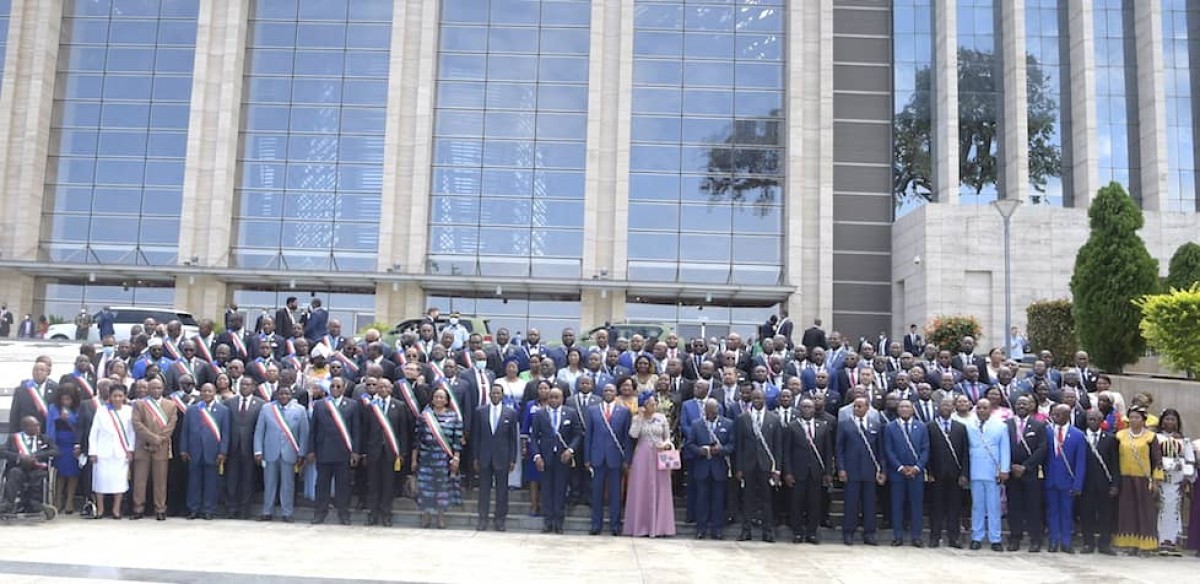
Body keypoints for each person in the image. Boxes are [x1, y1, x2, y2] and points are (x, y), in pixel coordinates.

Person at [307, 376, 360, 526]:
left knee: (343, 485)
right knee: (322, 485)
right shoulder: (320, 405)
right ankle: (320, 513)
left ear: (344, 388)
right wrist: (311, 450)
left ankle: (343, 513)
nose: (335, 389)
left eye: (338, 386)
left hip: (343, 451)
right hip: (323, 450)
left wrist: (355, 451)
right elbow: (313, 429)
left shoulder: (352, 405)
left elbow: (356, 430)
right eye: (332, 386)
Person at [529, 387, 582, 534]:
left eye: (556, 397)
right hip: (545, 458)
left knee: (560, 490)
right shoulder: (540, 414)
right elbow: (533, 437)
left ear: (562, 398)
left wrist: (570, 450)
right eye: (551, 397)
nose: (553, 400)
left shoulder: (570, 413)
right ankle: (548, 522)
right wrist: (537, 456)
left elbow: (578, 434)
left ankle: (559, 523)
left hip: (562, 458)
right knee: (546, 491)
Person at [622, 393, 675, 538]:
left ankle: (660, 526)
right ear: (644, 405)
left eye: (655, 403)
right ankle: (640, 525)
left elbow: (667, 437)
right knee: (641, 487)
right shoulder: (637, 418)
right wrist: (639, 418)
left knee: (661, 487)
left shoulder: (661, 418)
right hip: (643, 455)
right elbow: (633, 435)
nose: (654, 406)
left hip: (660, 455)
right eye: (651, 404)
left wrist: (666, 445)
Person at [253, 385, 308, 523]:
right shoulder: (267, 408)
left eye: (287, 394)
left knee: (288, 485)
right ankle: (267, 511)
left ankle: (287, 513)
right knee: (269, 484)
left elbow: (304, 433)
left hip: (290, 452)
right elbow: (259, 431)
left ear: (291, 395)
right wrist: (258, 450)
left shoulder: (300, 410)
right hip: (270, 452)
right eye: (281, 393)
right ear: (277, 395)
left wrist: (302, 453)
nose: (284, 396)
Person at [734, 388, 783, 542]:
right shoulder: (743, 418)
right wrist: (739, 468)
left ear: (764, 399)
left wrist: (777, 469)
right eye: (754, 398)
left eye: (759, 398)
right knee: (747, 500)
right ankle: (746, 531)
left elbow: (778, 447)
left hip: (766, 466)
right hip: (748, 465)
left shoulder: (774, 419)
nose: (757, 401)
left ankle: (768, 532)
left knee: (767, 500)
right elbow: (739, 446)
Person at [1114, 405, 1163, 555]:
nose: (1134, 420)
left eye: (1137, 417)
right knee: (1127, 511)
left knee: (1145, 511)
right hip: (1125, 479)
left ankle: (1145, 545)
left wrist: (1156, 481)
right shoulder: (1120, 435)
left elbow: (1157, 459)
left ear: (1143, 420)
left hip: (1143, 480)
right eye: (1132, 417)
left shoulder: (1150, 437)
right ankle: (1130, 544)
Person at [584, 382, 631, 536]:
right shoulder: (593, 410)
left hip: (616, 458)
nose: (608, 392)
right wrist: (587, 458)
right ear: (602, 393)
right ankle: (595, 525)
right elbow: (588, 436)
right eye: (606, 390)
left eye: (611, 390)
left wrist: (627, 459)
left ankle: (615, 525)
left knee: (615, 494)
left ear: (616, 393)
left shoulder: (624, 411)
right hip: (597, 457)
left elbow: (627, 438)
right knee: (596, 493)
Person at [782, 397, 831, 544]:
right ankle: (797, 532)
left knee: (814, 503)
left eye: (809, 407)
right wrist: (788, 472)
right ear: (799, 409)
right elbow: (786, 452)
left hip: (816, 472)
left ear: (814, 409)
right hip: (798, 472)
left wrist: (828, 472)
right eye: (804, 407)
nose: (807, 410)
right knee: (796, 503)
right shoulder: (792, 426)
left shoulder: (823, 426)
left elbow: (828, 452)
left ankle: (812, 533)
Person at [837, 396, 885, 546]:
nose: (856, 409)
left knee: (869, 504)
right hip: (851, 470)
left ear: (867, 408)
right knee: (851, 503)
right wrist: (841, 468)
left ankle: (869, 533)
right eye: (855, 406)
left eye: (860, 406)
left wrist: (882, 470)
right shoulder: (845, 424)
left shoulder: (876, 425)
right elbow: (839, 449)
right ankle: (848, 532)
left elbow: (880, 451)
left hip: (870, 471)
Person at [361, 378, 409, 527]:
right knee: (373, 484)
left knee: (388, 484)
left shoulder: (399, 406)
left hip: (391, 451)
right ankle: (373, 514)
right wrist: (364, 452)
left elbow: (403, 431)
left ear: (391, 388)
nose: (382, 389)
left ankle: (386, 514)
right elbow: (365, 430)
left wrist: (402, 452)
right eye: (380, 387)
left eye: (385, 387)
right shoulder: (371, 407)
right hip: (373, 451)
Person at [414, 387, 463, 529]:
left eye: (442, 397)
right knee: (425, 488)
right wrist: (414, 459)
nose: (439, 399)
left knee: (442, 489)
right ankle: (426, 516)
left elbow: (457, 440)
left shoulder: (454, 417)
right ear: (432, 399)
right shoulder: (424, 416)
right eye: (436, 397)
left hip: (444, 459)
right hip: (426, 458)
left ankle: (441, 517)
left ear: (447, 400)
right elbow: (417, 439)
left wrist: (456, 458)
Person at [473, 383, 519, 532]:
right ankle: (482, 519)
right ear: (489, 394)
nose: (495, 395)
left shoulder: (510, 413)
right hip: (484, 456)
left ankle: (500, 520)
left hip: (502, 457)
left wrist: (512, 459)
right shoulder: (480, 412)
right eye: (493, 393)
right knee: (484, 490)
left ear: (502, 395)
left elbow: (513, 438)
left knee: (502, 491)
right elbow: (476, 437)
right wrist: (475, 457)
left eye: (498, 393)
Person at [130, 378, 178, 521]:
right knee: (139, 480)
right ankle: (138, 508)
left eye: (159, 388)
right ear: (148, 389)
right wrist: (153, 439)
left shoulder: (171, 405)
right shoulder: (139, 404)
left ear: (163, 389)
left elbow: (171, 425)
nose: (156, 390)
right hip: (143, 446)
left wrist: (159, 440)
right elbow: (137, 424)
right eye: (153, 388)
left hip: (161, 447)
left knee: (160, 480)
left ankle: (160, 509)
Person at [181, 383, 229, 520]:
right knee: (193, 482)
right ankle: (193, 509)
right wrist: (183, 449)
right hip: (194, 451)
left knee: (211, 482)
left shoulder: (223, 410)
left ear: (214, 393)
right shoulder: (192, 410)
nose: (207, 393)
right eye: (204, 391)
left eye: (210, 391)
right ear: (200, 393)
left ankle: (208, 510)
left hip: (213, 452)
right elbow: (185, 431)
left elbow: (225, 433)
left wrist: (223, 452)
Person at [86, 384, 136, 519]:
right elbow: (94, 432)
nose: (117, 399)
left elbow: (132, 433)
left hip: (121, 451)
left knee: (119, 482)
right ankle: (100, 509)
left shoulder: (129, 411)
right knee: (100, 481)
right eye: (115, 396)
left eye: (120, 396)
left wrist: (131, 450)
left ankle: (116, 509)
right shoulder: (101, 411)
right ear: (110, 397)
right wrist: (93, 451)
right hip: (102, 452)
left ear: (124, 397)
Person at [884, 400, 928, 547]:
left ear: (913, 410)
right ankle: (898, 536)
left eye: (907, 407)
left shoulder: (921, 426)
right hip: (897, 473)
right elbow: (888, 450)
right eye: (901, 406)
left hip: (916, 473)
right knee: (897, 505)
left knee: (916, 505)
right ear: (897, 410)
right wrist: (900, 467)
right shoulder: (890, 427)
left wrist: (917, 467)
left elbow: (925, 449)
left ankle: (917, 537)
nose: (904, 409)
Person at [967, 398, 1010, 551]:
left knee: (994, 507)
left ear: (990, 409)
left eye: (985, 408)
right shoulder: (969, 425)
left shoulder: (1001, 426)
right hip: (975, 469)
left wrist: (1004, 469)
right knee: (977, 506)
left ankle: (995, 538)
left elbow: (1005, 448)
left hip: (993, 470)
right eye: (979, 408)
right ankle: (976, 537)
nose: (981, 410)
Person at [1005, 395, 1047, 552]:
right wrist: (1010, 465)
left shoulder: (1039, 425)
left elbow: (1042, 449)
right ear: (1014, 406)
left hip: (1030, 473)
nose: (1021, 406)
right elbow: (1002, 447)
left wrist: (1026, 467)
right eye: (1019, 404)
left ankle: (1035, 539)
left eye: (1025, 404)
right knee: (1014, 507)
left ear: (1030, 406)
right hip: (1012, 472)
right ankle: (1015, 538)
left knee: (1033, 507)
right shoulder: (1007, 425)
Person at [1043, 403, 1087, 553]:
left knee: (1067, 512)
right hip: (1050, 480)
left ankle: (1066, 542)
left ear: (1067, 415)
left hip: (1068, 481)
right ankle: (1053, 540)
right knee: (1052, 512)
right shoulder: (1047, 431)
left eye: (1058, 414)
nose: (1054, 417)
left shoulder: (1078, 435)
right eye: (1053, 414)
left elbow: (1080, 462)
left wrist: (1078, 484)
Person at [927, 397, 969, 548]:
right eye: (943, 405)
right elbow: (927, 451)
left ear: (953, 408)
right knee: (936, 507)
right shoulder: (930, 426)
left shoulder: (960, 427)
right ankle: (934, 537)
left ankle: (954, 538)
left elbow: (965, 453)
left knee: (954, 507)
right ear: (938, 407)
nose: (945, 407)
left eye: (948, 405)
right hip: (936, 474)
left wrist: (964, 473)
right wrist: (929, 471)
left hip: (955, 474)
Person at [1080, 409, 1119, 555]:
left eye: (1095, 419)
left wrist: (1115, 484)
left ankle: (1104, 544)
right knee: (1086, 513)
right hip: (1086, 483)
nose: (1092, 422)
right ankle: (1088, 543)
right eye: (1090, 419)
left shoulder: (1110, 439)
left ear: (1101, 421)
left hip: (1104, 483)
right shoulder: (1081, 437)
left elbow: (1115, 464)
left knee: (1105, 514)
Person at [225, 377, 264, 519]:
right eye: (242, 384)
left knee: (248, 480)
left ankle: (245, 509)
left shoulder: (261, 404)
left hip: (250, 448)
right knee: (232, 480)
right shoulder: (229, 402)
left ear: (253, 387)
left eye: (247, 384)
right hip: (233, 447)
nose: (244, 387)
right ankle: (231, 508)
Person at [1, 416, 58, 513]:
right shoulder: (14, 438)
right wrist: (19, 457)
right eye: (35, 425)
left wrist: (36, 456)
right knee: (14, 473)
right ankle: (8, 504)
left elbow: (55, 451)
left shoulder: (44, 439)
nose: (38, 427)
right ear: (26, 427)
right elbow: (2, 452)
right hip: (19, 468)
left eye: (38, 425)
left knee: (39, 475)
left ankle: (35, 504)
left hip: (37, 468)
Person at [1155, 409, 1193, 556]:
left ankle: (1172, 540)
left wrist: (1186, 478)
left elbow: (1189, 460)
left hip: (1177, 480)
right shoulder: (1156, 438)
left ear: (1177, 422)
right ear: (1162, 421)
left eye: (1172, 419)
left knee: (1175, 510)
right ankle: (1160, 540)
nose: (1169, 422)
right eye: (1167, 419)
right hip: (1161, 479)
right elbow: (1153, 458)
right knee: (1161, 509)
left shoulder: (1184, 440)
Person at [47, 387, 82, 514]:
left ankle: (69, 500)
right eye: (63, 399)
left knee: (73, 473)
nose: (65, 401)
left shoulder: (79, 408)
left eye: (68, 399)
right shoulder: (53, 408)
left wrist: (69, 419)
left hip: (73, 442)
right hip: (59, 443)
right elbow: (50, 426)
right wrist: (51, 444)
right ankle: (58, 499)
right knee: (60, 472)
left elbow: (80, 426)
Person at [521, 379, 551, 516]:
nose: (543, 391)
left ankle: (546, 506)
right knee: (533, 477)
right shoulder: (530, 405)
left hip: (549, 445)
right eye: (541, 388)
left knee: (547, 477)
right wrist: (523, 446)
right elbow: (525, 426)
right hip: (533, 445)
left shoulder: (553, 404)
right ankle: (534, 505)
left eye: (546, 388)